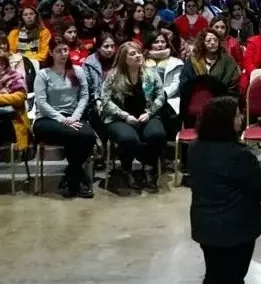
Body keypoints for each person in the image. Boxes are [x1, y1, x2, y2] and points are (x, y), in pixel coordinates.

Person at [189, 97, 261, 284]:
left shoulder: (194, 149)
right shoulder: (240, 156)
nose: (242, 118)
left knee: (213, 276)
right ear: (226, 122)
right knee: (232, 282)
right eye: (237, 115)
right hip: (236, 231)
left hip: (205, 226)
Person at [100, 41, 167, 192]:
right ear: (124, 59)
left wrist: (149, 113)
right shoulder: (113, 76)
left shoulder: (151, 73)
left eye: (138, 52)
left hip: (146, 115)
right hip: (119, 118)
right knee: (128, 139)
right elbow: (105, 100)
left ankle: (149, 167)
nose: (138, 56)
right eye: (133, 54)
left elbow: (161, 96)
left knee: (157, 134)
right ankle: (126, 169)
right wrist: (124, 116)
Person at [32, 36, 95, 198]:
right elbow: (41, 102)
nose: (63, 54)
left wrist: (75, 116)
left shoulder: (77, 71)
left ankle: (71, 175)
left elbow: (84, 96)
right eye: (58, 51)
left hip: (72, 117)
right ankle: (78, 179)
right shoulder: (43, 74)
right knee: (75, 136)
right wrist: (61, 119)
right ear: (51, 53)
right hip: (47, 119)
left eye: (65, 50)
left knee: (88, 136)